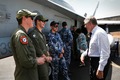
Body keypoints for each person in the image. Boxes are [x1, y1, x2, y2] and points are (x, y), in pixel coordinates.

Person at [10, 9, 46, 80]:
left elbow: (27, 55)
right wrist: (37, 61)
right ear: (24, 18)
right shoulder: (21, 35)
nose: (33, 20)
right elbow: (25, 61)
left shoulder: (23, 34)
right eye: (31, 18)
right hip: (26, 76)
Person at [28, 15, 52, 80]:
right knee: (43, 77)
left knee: (46, 76)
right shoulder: (33, 34)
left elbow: (45, 46)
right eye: (43, 21)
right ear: (38, 21)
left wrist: (48, 55)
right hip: (41, 61)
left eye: (45, 21)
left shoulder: (42, 34)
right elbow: (37, 49)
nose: (44, 23)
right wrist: (46, 58)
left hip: (45, 60)